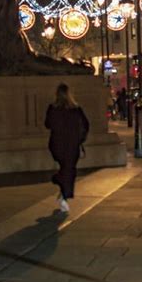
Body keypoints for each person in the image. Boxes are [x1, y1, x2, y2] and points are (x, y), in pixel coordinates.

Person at [45, 83, 90, 213]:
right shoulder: (76, 110)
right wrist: (80, 139)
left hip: (57, 144)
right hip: (72, 144)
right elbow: (86, 125)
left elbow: (47, 124)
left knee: (66, 169)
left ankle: (62, 189)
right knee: (70, 170)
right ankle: (64, 194)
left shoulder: (52, 109)